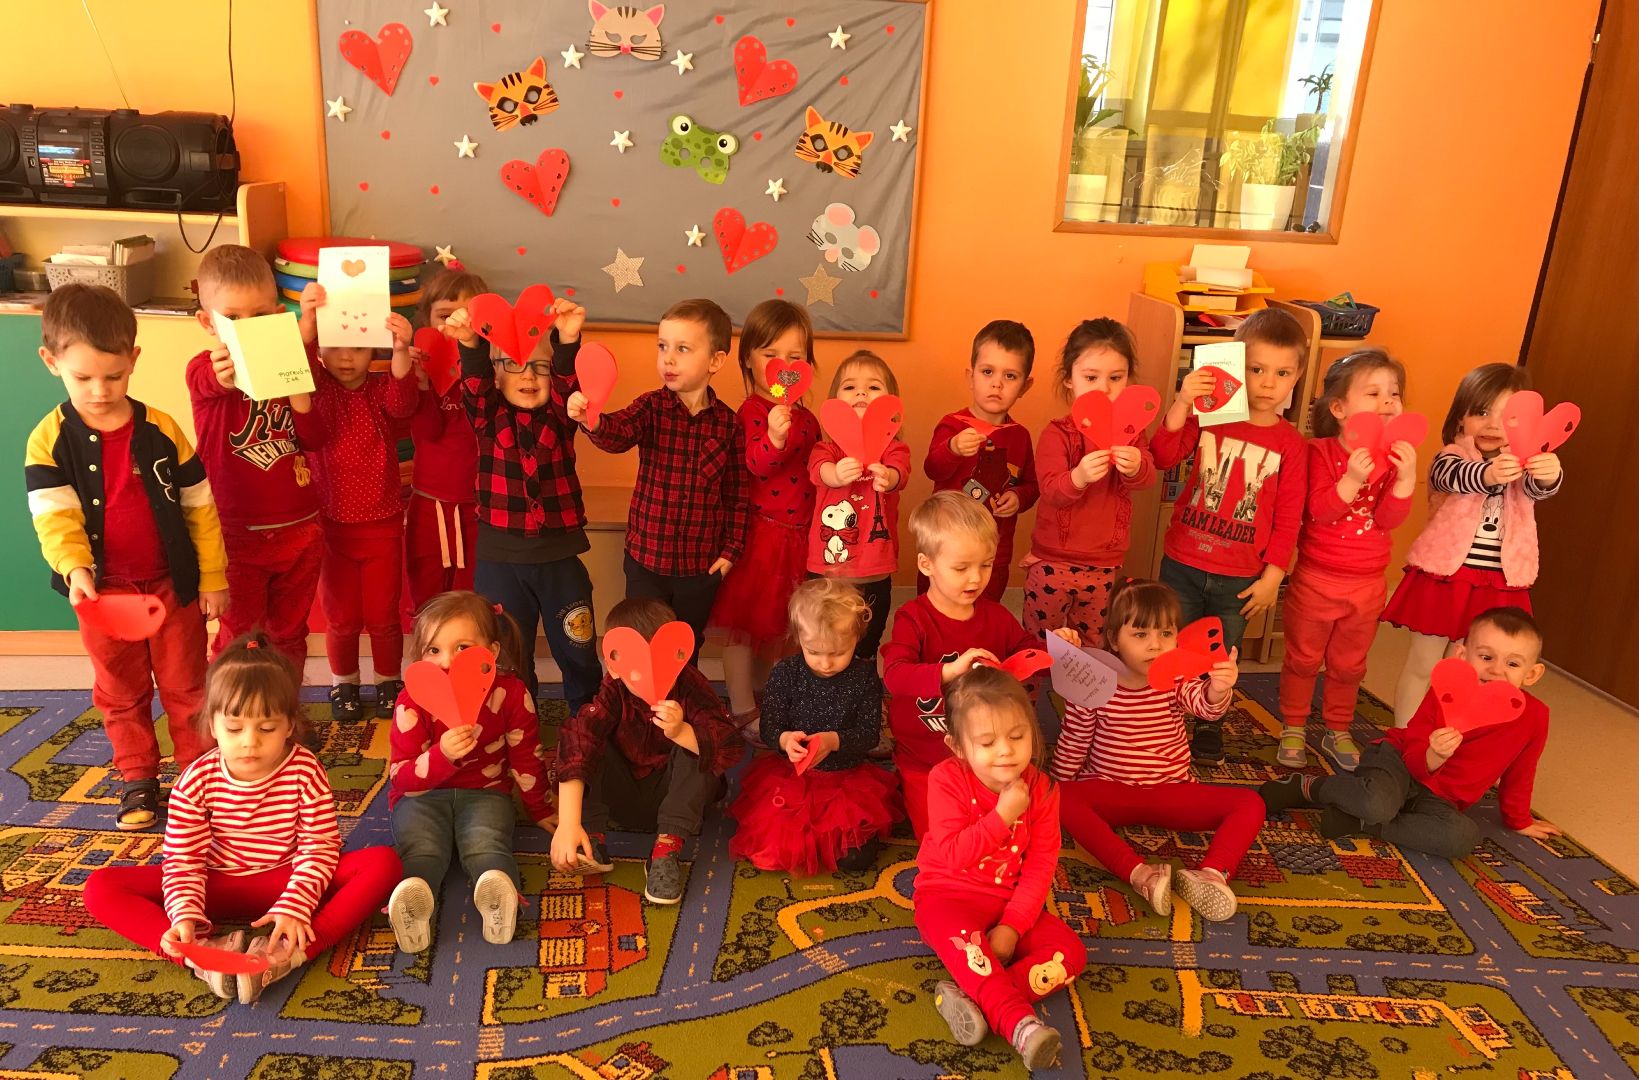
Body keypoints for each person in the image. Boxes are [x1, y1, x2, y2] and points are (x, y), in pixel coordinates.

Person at [82, 635, 401, 1003]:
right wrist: (184, 916)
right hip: (214, 884)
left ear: (289, 726)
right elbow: (183, 860)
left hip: (283, 879)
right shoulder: (196, 780)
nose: (250, 742)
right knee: (100, 887)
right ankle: (199, 955)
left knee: (384, 863)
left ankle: (291, 953)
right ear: (212, 725)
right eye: (235, 729)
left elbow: (319, 846)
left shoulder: (305, 769)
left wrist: (296, 905)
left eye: (266, 728)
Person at [25, 283, 227, 830]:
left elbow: (199, 507)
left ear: (134, 359)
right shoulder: (47, 440)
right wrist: (74, 567)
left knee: (188, 686)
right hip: (105, 596)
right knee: (120, 690)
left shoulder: (161, 429)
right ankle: (138, 778)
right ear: (51, 362)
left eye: (114, 377)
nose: (99, 391)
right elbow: (55, 516)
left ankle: (200, 778)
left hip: (172, 587)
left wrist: (212, 576)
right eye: (83, 378)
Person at [1261, 607, 1559, 858]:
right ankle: (1311, 787)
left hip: (1442, 798)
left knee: (1461, 838)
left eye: (1512, 663)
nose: (1496, 670)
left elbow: (1522, 770)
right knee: (1376, 804)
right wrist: (1434, 754)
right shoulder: (1448, 693)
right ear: (1461, 656)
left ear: (1532, 674)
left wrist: (1519, 819)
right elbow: (1414, 753)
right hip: (1400, 763)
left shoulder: (1536, 717)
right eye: (1485, 657)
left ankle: (1362, 823)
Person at [1050, 578, 1263, 922]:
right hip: (1111, 790)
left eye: (1166, 634)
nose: (1156, 645)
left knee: (1251, 802)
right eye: (1140, 634)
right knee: (1059, 796)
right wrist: (1057, 786)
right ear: (1114, 640)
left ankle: (1211, 875)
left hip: (1171, 791)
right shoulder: (1095, 682)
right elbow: (1075, 738)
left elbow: (1205, 707)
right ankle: (1140, 875)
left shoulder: (1175, 678)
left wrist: (1219, 689)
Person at [1151, 307, 1308, 765]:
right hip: (1182, 561)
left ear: (1297, 377)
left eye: (1281, 373)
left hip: (1240, 577)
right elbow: (1162, 456)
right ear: (1237, 366)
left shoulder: (1292, 445)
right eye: (1256, 369)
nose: (1268, 383)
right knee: (1171, 644)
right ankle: (1161, 715)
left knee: (1223, 654)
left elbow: (1289, 517)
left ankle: (1209, 722)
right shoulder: (1211, 417)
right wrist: (1182, 402)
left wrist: (1274, 577)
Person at [914, 666, 1083, 1073]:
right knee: (976, 956)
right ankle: (1021, 1027)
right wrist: (1003, 816)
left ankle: (975, 996)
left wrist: (1012, 925)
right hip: (946, 898)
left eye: (1017, 736)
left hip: (1007, 901)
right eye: (988, 742)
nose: (1006, 751)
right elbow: (953, 855)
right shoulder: (945, 780)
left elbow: (1041, 864)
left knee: (1070, 955)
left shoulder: (1043, 789)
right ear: (958, 746)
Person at [884, 492, 1079, 839]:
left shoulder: (996, 616)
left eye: (985, 565)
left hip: (986, 755)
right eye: (961, 568)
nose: (975, 579)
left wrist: (1057, 650)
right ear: (927, 564)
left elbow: (1027, 657)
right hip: (924, 756)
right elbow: (895, 676)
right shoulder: (912, 618)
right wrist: (949, 672)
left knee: (1022, 824)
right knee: (941, 837)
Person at [442, 298, 603, 716]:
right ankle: (518, 720)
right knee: (509, 655)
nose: (528, 375)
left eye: (540, 367)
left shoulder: (561, 418)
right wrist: (470, 344)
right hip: (501, 561)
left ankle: (587, 718)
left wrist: (567, 340)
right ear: (496, 374)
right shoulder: (488, 416)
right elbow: (475, 385)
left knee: (578, 648)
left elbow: (568, 386)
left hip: (559, 559)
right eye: (514, 365)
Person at [1381, 363, 1563, 726]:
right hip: (1446, 578)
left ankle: (1451, 734)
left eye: (1507, 417)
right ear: (1461, 417)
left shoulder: (1525, 461)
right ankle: (1403, 735)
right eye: (1481, 412)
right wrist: (1489, 473)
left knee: (1469, 670)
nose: (1493, 425)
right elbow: (1453, 476)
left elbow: (1538, 488)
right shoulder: (1452, 455)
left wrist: (1550, 473)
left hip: (1498, 582)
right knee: (1424, 664)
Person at [570, 298, 750, 663]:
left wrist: (730, 551)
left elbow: (736, 495)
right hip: (647, 561)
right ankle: (635, 698)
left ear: (715, 361)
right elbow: (618, 434)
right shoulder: (651, 407)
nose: (668, 359)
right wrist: (593, 420)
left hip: (699, 568)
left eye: (682, 349)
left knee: (685, 648)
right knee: (641, 645)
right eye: (663, 347)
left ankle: (682, 697)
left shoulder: (729, 425)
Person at [385, 592, 556, 952]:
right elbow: (402, 778)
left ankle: (499, 895)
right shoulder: (412, 700)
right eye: (433, 650)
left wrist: (540, 808)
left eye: (462, 648)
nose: (447, 661)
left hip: (486, 793)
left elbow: (527, 757)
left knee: (486, 843)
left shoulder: (511, 694)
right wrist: (442, 754)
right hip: (422, 797)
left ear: (491, 652)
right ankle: (413, 902)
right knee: (421, 849)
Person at [551, 598, 745, 904]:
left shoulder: (690, 684)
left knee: (699, 747)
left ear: (678, 656)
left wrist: (683, 733)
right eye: (636, 666)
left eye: (659, 662)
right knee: (586, 735)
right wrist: (567, 822)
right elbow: (580, 739)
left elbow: (730, 744)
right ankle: (592, 837)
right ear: (614, 664)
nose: (649, 675)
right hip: (623, 795)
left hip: (675, 799)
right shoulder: (614, 688)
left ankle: (666, 850)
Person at [1276, 350, 1417, 769]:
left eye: (1394, 393)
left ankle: (1337, 728)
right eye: (1373, 393)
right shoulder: (1318, 453)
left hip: (1368, 584)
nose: (1387, 401)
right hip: (1316, 579)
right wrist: (1353, 478)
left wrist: (1407, 478)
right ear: (1338, 409)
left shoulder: (1393, 458)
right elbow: (1320, 511)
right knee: (1303, 657)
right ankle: (1294, 725)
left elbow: (1389, 519)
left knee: (1349, 664)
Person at [186, 245, 322, 672]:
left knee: (289, 633)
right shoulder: (205, 368)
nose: (247, 329)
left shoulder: (294, 361)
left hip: (300, 527)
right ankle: (231, 711)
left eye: (260, 317)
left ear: (278, 316)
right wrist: (223, 374)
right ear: (208, 322)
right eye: (233, 318)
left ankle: (282, 707)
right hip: (236, 534)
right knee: (240, 638)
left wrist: (300, 385)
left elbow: (315, 438)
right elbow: (207, 382)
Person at [289, 295, 419, 721]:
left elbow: (404, 404)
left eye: (359, 347)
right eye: (336, 346)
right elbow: (299, 366)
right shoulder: (319, 387)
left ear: (373, 348)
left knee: (383, 617)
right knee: (341, 619)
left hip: (382, 525)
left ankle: (387, 681)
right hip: (332, 528)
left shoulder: (380, 388)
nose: (346, 358)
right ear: (321, 349)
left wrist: (401, 349)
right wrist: (309, 322)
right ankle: (342, 682)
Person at [728, 578, 899, 875]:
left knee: (856, 860)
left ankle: (825, 842)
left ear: (856, 638)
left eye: (838, 652)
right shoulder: (786, 672)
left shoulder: (864, 677)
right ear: (799, 639)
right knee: (771, 853)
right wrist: (784, 740)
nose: (826, 663)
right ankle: (809, 841)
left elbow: (870, 734)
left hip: (847, 782)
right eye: (814, 652)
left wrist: (834, 741)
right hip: (793, 779)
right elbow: (770, 725)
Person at [706, 300, 822, 734]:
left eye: (795, 357)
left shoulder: (809, 418)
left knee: (784, 631)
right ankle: (741, 707)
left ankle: (771, 698)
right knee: (744, 629)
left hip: (801, 538)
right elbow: (756, 463)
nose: (783, 367)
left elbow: (815, 471)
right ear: (748, 362)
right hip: (761, 539)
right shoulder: (752, 412)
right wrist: (774, 435)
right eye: (770, 355)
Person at [1022, 318, 1157, 645]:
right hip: (1053, 562)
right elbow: (1050, 491)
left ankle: (1082, 682)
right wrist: (1078, 477)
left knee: (1092, 642)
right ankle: (1033, 681)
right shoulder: (1058, 433)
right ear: (1069, 379)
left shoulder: (1132, 432)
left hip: (1104, 564)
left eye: (1116, 378)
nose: (1104, 388)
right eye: (1091, 377)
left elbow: (1147, 479)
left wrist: (1137, 466)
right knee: (1041, 640)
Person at [922, 320, 1039, 602]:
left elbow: (1032, 485)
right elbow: (932, 469)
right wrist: (952, 448)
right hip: (945, 545)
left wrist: (1018, 497)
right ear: (971, 376)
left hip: (993, 552)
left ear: (1025, 386)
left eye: (1010, 376)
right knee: (934, 610)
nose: (997, 383)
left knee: (984, 612)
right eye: (987, 372)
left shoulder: (1019, 436)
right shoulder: (952, 425)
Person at [806, 350, 912, 661]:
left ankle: (863, 680)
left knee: (867, 641)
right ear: (835, 402)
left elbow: (900, 473)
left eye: (873, 387)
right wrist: (836, 474)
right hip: (827, 571)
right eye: (850, 387)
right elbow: (818, 470)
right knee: (823, 639)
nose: (862, 393)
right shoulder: (825, 448)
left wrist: (888, 477)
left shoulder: (894, 449)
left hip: (874, 571)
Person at [405, 266, 488, 609]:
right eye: (444, 316)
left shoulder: (490, 372)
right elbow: (426, 432)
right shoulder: (417, 370)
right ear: (426, 320)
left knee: (474, 599)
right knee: (427, 594)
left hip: (478, 507)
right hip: (429, 505)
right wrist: (423, 386)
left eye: (466, 316)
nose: (455, 324)